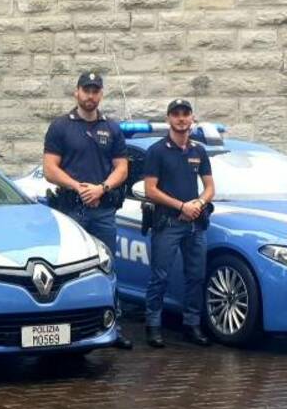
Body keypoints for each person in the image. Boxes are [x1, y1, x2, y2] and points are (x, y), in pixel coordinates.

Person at [43, 71, 132, 349]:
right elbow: (49, 169)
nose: (90, 95)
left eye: (95, 90)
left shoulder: (112, 128)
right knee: (68, 269)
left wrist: (101, 189)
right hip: (71, 211)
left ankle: (111, 326)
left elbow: (122, 168)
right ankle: (64, 327)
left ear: (101, 94)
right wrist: (79, 187)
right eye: (86, 90)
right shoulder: (61, 126)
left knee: (106, 269)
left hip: (103, 210)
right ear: (76, 92)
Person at [142, 98, 216, 349]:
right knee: (159, 276)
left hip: (195, 223)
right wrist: (181, 207)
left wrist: (198, 204)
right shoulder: (157, 151)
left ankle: (191, 325)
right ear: (168, 119)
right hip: (168, 223)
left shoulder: (199, 151)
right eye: (176, 114)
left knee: (195, 276)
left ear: (192, 118)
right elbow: (150, 190)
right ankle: (153, 326)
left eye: (186, 114)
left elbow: (209, 188)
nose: (181, 118)